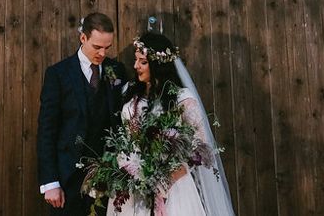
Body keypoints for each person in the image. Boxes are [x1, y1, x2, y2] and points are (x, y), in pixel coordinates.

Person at [108, 33, 235, 216]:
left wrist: (166, 179)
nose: (136, 66)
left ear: (158, 65)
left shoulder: (182, 99)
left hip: (173, 187)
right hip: (134, 185)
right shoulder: (130, 91)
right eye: (136, 61)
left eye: (142, 62)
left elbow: (200, 147)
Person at [37, 13, 127, 214]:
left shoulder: (117, 70)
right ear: (83, 38)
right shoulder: (58, 74)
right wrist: (50, 181)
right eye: (97, 47)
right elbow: (47, 130)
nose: (102, 53)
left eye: (107, 47)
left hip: (107, 178)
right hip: (67, 179)